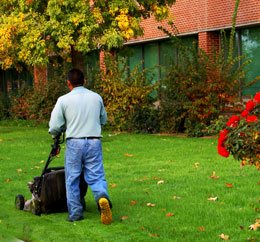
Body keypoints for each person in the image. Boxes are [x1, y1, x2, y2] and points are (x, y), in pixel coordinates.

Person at [49, 68, 112, 224]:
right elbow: (104, 119)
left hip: (74, 142)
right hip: (94, 140)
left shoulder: (63, 100)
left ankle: (76, 213)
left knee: (72, 178)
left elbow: (55, 126)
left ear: (68, 83)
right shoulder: (96, 97)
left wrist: (57, 133)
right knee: (96, 175)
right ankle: (102, 197)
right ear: (84, 81)